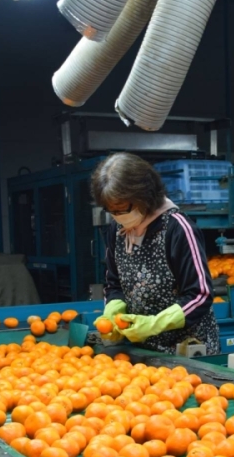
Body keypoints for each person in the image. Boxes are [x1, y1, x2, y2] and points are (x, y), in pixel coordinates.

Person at [91, 152, 220, 355]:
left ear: (144, 196)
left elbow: (200, 295)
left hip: (185, 349)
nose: (118, 216)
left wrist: (154, 324)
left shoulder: (177, 229)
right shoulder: (117, 230)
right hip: (141, 350)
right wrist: (113, 311)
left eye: (123, 208)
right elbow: (114, 283)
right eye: (111, 210)